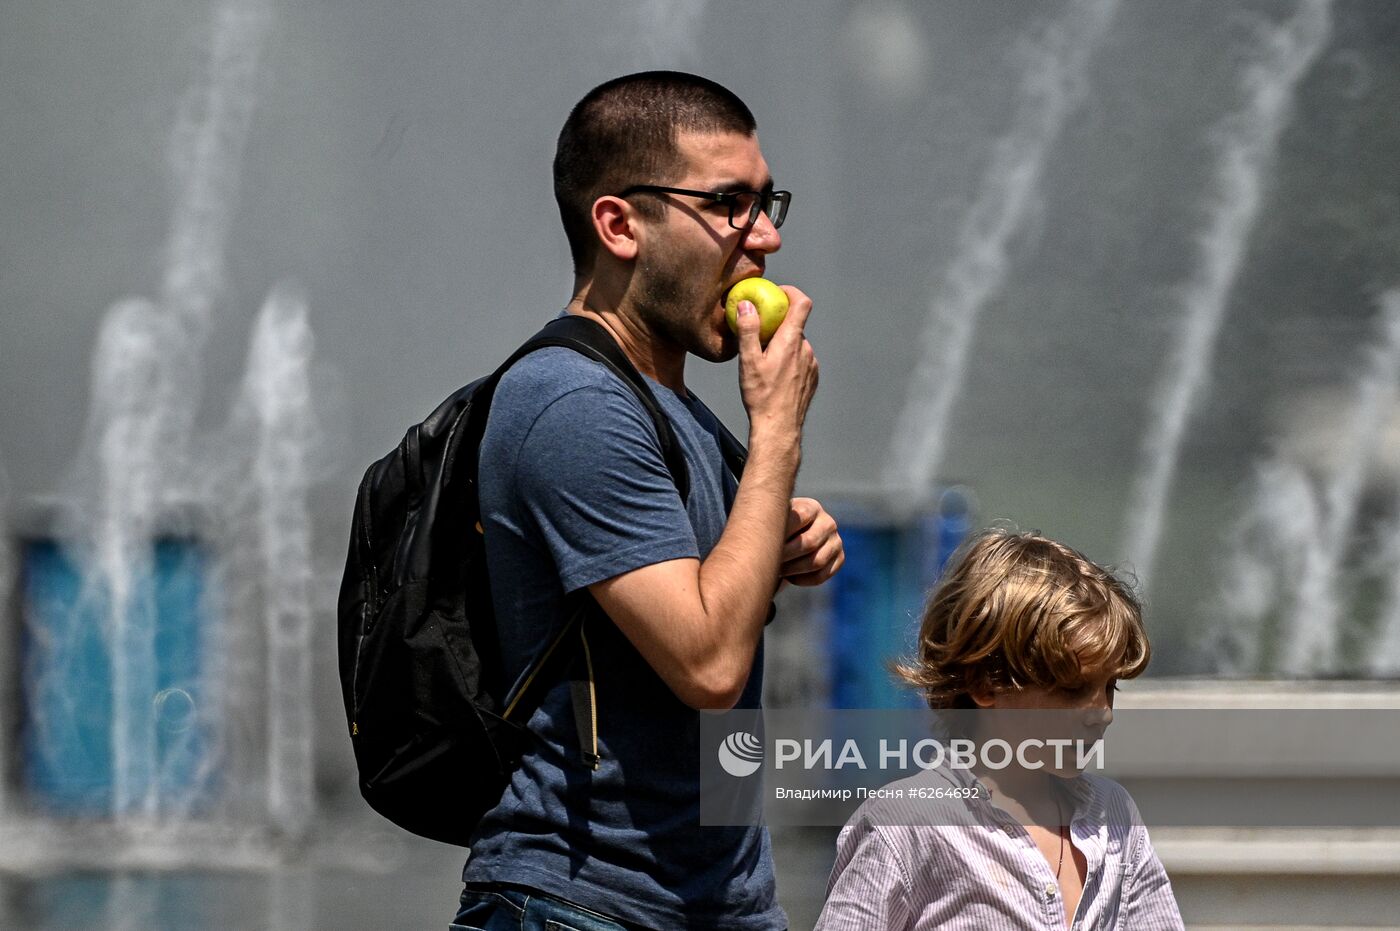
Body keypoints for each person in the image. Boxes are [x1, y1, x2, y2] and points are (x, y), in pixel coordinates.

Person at [452, 72, 844, 931]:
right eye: (731, 204)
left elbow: (707, 636)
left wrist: (772, 532)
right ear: (620, 223)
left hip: (714, 902)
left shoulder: (679, 414)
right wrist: (776, 435)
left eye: (768, 201)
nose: (767, 237)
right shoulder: (571, 401)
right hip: (583, 904)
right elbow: (707, 665)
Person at [814, 529, 1184, 930]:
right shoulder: (905, 823)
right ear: (985, 684)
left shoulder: (1113, 815)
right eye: (1073, 689)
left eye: (1109, 686)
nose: (1102, 713)